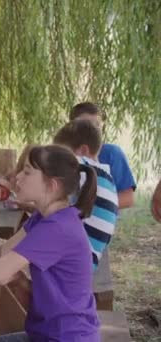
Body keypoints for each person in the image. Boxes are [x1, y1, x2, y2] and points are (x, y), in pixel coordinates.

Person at [0, 145, 100, 341]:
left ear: (52, 185)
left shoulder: (56, 228)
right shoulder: (45, 218)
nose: (17, 177)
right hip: (49, 334)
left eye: (27, 172)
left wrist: (13, 275)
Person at [69, 102, 136, 309]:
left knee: (97, 290)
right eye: (84, 126)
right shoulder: (66, 156)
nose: (91, 132)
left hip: (95, 231)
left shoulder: (112, 154)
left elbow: (128, 198)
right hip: (68, 229)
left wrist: (97, 204)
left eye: (96, 126)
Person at [53, 120, 119, 271]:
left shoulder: (83, 167)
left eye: (63, 152)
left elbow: (48, 162)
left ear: (83, 150)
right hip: (85, 264)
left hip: (71, 266)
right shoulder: (107, 179)